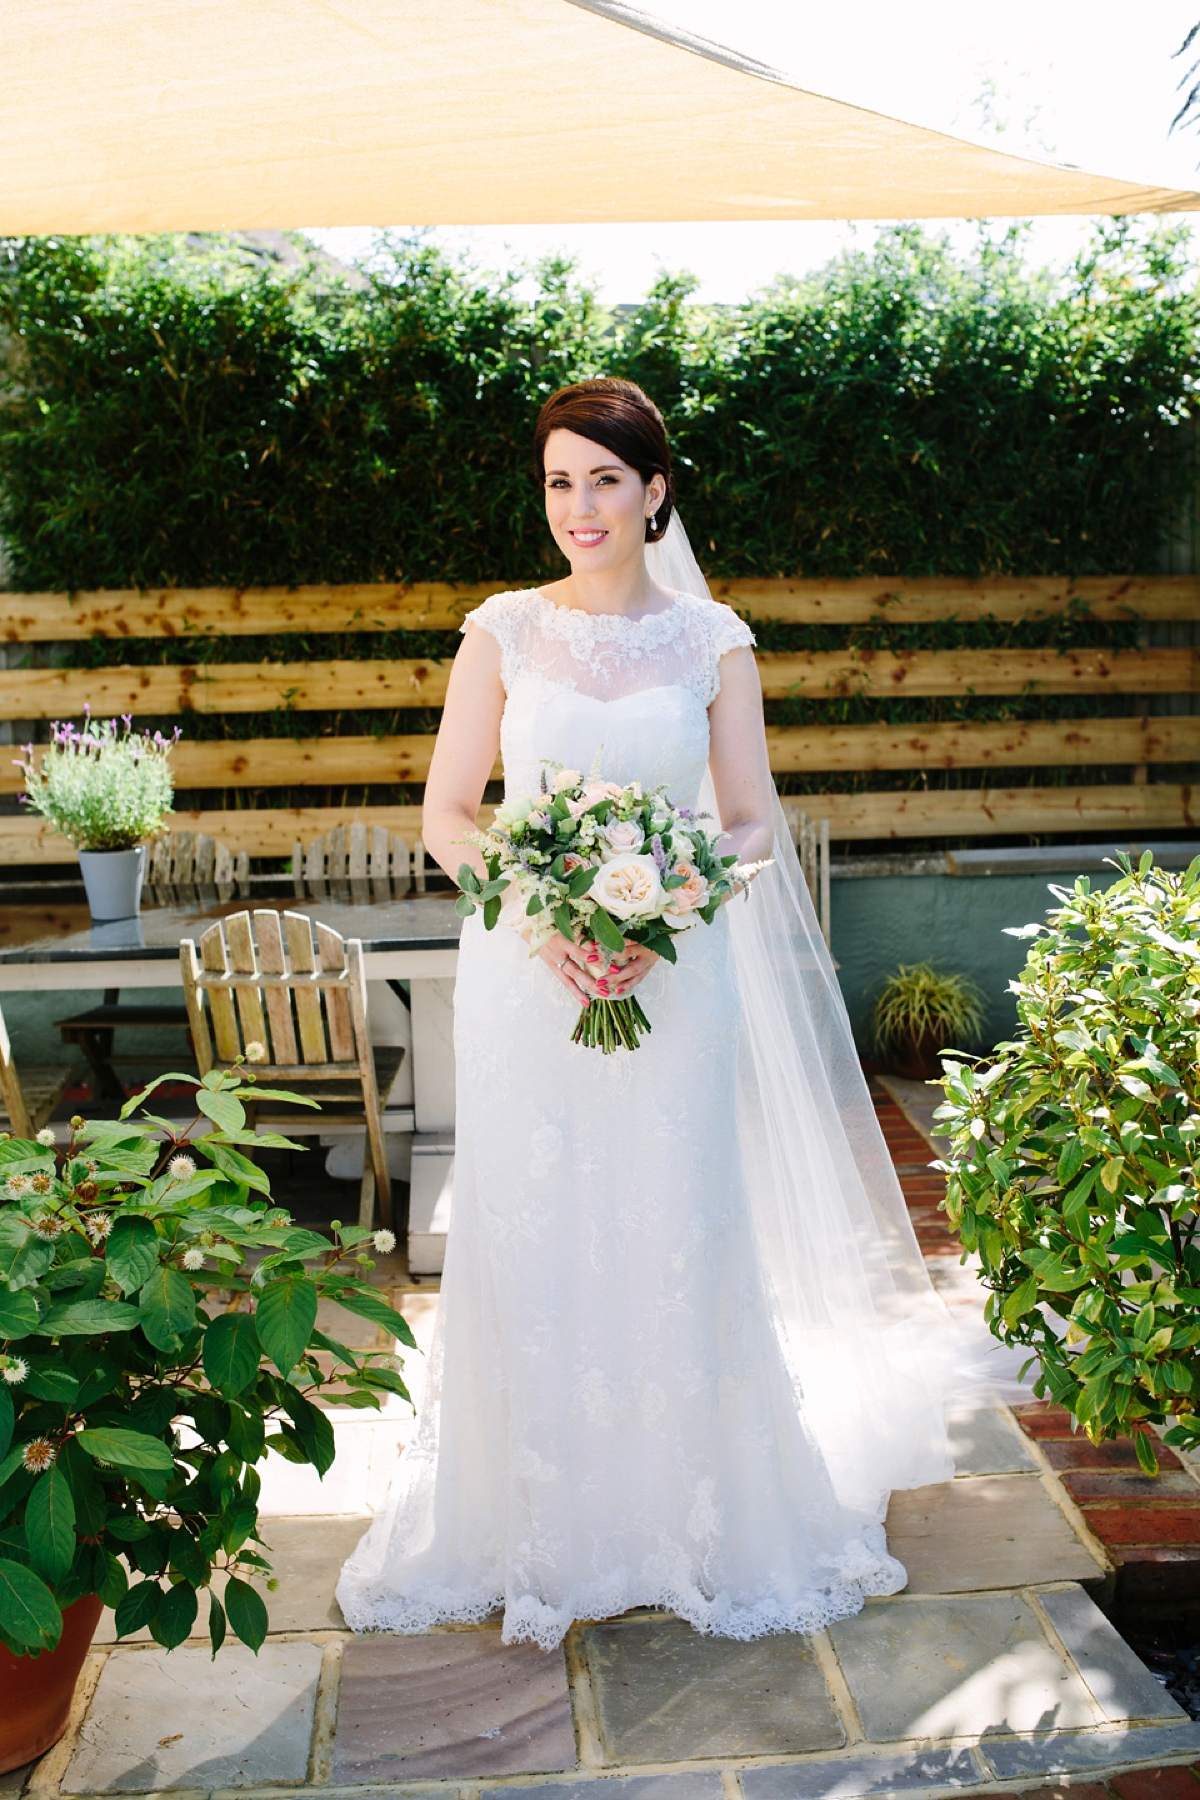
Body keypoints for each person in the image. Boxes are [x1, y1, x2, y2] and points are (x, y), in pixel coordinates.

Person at [337, 377, 957, 1651]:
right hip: (528, 977)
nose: (580, 506)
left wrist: (662, 908)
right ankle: (536, 1528)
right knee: (539, 1221)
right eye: (560, 481)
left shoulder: (714, 639)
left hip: (678, 981)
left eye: (605, 480)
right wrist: (554, 915)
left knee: (676, 1216)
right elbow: (448, 816)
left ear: (654, 490)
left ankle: (694, 1519)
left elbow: (747, 818)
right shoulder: (500, 632)